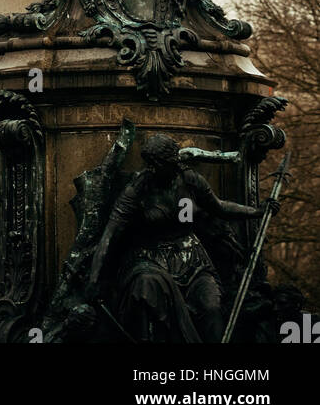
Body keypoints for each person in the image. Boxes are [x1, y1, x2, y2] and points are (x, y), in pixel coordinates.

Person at [87, 134, 269, 342]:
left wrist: (255, 212)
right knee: (147, 286)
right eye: (149, 164)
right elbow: (109, 235)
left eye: (156, 164)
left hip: (192, 261)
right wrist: (94, 279)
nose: (151, 169)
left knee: (211, 306)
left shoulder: (190, 179)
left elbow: (218, 207)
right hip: (151, 260)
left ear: (170, 162)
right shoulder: (138, 189)